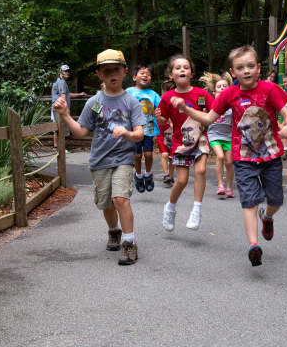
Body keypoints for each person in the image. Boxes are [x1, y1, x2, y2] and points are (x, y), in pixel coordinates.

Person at [170, 45, 287, 267]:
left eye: (250, 66)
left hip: (271, 156)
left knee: (276, 200)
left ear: (258, 68)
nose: (246, 71)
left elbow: (286, 113)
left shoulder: (270, 89)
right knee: (249, 202)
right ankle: (253, 245)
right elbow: (208, 119)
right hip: (243, 158)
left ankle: (267, 216)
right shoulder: (229, 94)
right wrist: (186, 110)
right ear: (233, 72)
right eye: (240, 68)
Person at [52, 50, 146, 265]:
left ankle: (129, 244)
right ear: (99, 74)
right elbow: (81, 132)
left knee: (120, 199)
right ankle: (114, 231)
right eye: (106, 70)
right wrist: (65, 115)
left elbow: (140, 134)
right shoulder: (94, 103)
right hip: (100, 160)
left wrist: (127, 132)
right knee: (107, 204)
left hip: (124, 158)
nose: (112, 73)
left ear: (124, 72)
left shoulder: (131, 102)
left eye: (116, 69)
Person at [156, 54, 214, 231]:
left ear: (191, 73)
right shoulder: (167, 97)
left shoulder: (201, 94)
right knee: (181, 180)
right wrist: (160, 119)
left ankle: (196, 210)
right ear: (171, 75)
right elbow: (163, 122)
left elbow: (212, 115)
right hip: (180, 143)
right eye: (178, 67)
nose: (182, 69)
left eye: (186, 67)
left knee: (201, 170)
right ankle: (170, 208)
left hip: (200, 139)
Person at [126, 65, 161, 193]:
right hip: (134, 130)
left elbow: (161, 107)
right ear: (134, 77)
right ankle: (139, 176)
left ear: (151, 80)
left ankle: (148, 174)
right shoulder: (129, 92)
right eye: (142, 73)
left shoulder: (153, 94)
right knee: (137, 154)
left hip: (149, 129)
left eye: (148, 74)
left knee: (148, 154)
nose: (145, 75)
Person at [202, 72, 235, 198]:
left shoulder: (232, 106)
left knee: (229, 162)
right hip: (214, 135)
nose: (222, 88)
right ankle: (220, 185)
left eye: (225, 86)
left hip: (228, 136)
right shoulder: (211, 105)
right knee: (220, 157)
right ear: (214, 93)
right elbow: (203, 116)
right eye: (219, 86)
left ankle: (229, 187)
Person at [51, 64, 85, 152]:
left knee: (56, 127)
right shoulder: (62, 82)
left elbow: (67, 94)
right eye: (65, 71)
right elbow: (63, 96)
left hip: (56, 108)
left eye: (68, 71)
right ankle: (61, 147)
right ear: (60, 72)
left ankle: (56, 147)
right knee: (61, 127)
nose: (67, 73)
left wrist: (79, 94)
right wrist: (66, 109)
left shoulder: (58, 81)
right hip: (60, 109)